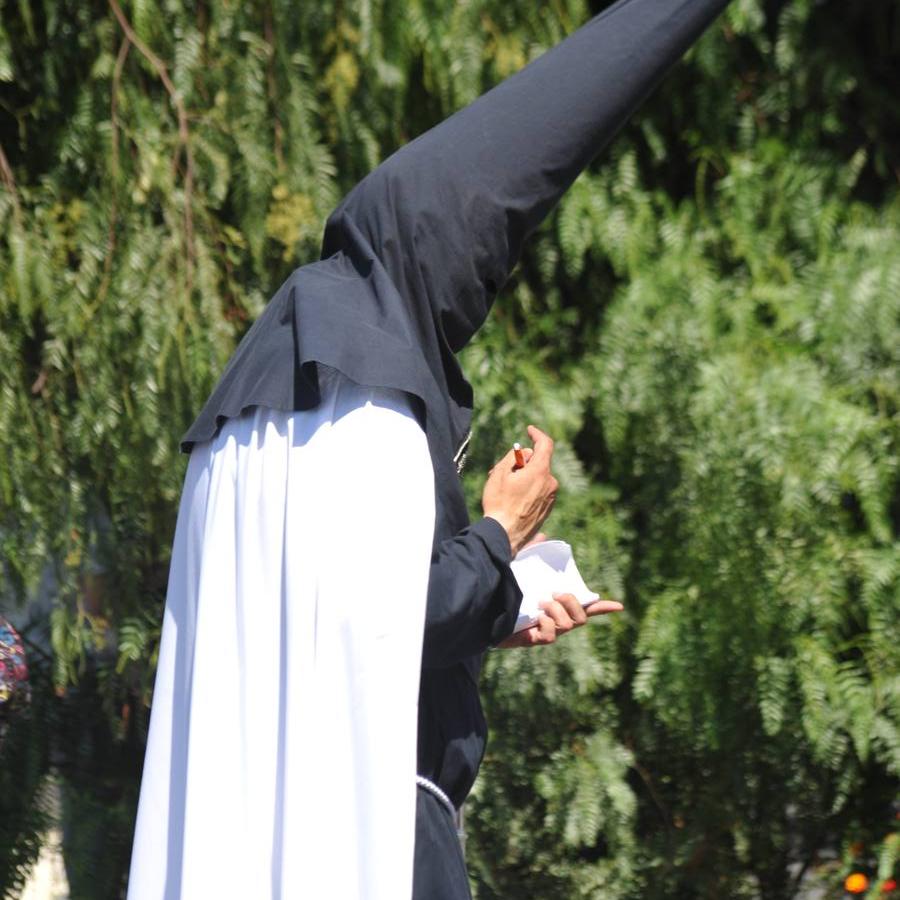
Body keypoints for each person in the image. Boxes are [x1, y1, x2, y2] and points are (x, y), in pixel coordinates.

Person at [126, 1, 732, 897]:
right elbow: (395, 619)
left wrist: (502, 598)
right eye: (479, 267)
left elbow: (341, 626)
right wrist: (499, 536)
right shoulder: (364, 418)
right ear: (438, 251)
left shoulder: (254, 417)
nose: (475, 300)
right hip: (374, 836)